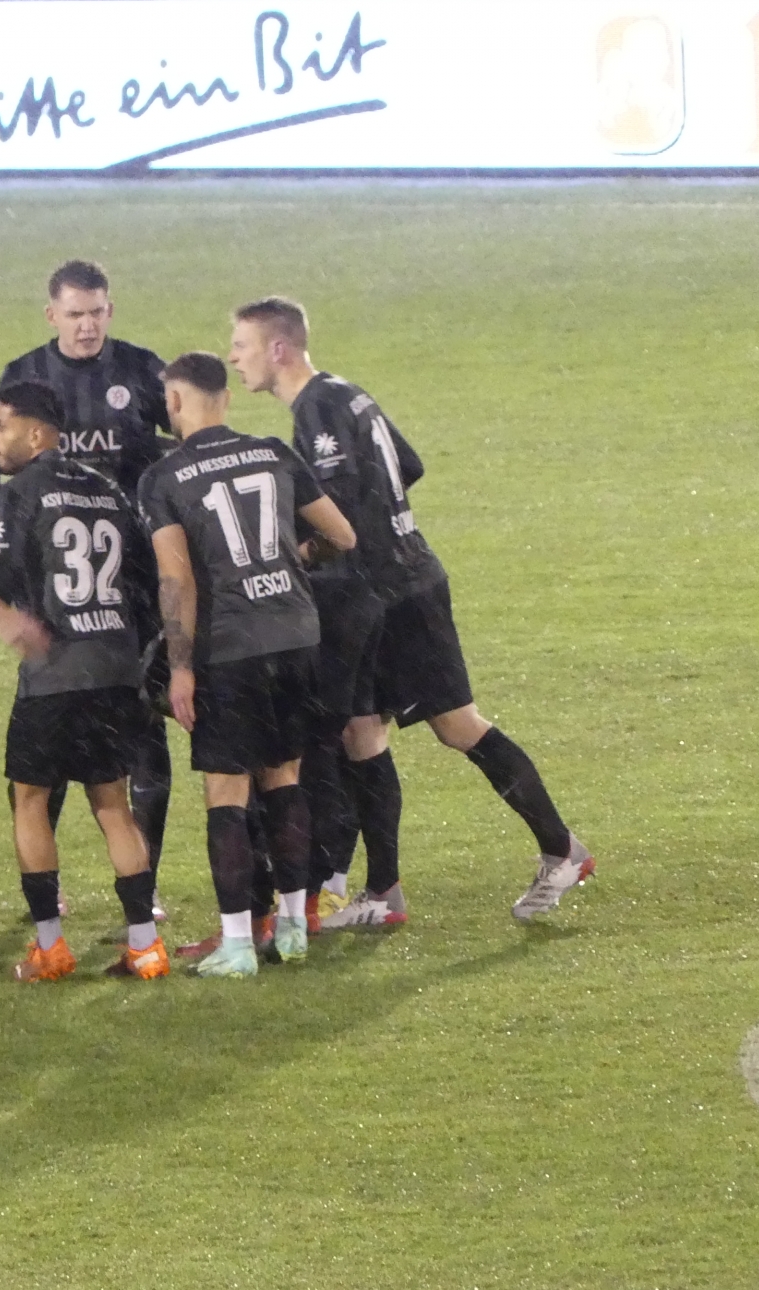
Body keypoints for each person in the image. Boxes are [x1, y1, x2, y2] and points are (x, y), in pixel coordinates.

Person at [228, 296, 594, 923]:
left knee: (457, 727)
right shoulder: (346, 393)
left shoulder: (316, 408)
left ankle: (562, 850)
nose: (235, 358)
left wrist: (295, 555)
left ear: (278, 349)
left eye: (242, 345)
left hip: (396, 592)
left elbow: (339, 509)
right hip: (387, 586)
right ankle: (384, 894)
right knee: (361, 731)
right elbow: (409, 464)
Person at [0, 380, 169, 982]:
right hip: (114, 671)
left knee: (29, 800)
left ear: (35, 433)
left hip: (54, 673)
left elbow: (0, 585)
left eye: (0, 426)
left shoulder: (20, 492)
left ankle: (51, 947)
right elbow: (143, 581)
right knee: (113, 804)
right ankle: (145, 945)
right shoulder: (108, 490)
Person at [136, 352, 356, 977]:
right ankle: (292, 929)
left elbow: (177, 579)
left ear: (174, 402)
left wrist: (181, 667)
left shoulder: (165, 477)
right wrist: (292, 558)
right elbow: (343, 536)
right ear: (225, 398)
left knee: (226, 792)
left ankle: (237, 944)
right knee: (284, 780)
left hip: (230, 646)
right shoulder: (273, 453)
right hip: (296, 634)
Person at [0, 259, 176, 901]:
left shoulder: (141, 370)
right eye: (74, 314)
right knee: (47, 737)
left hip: (132, 582)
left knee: (142, 738)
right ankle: (49, 885)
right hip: (55, 589)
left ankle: (145, 882)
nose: (87, 326)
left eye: (96, 313)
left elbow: (185, 442)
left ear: (110, 311)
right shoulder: (23, 375)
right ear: (52, 315)